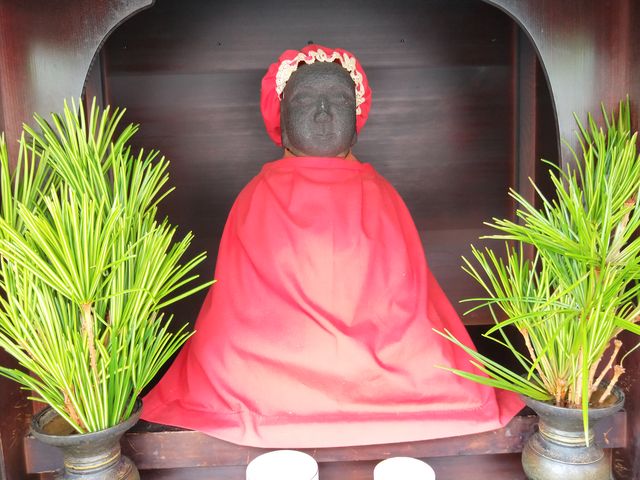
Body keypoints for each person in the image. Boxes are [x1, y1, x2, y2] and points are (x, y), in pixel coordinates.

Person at [141, 45, 523, 447]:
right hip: (273, 361)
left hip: (378, 360)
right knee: (226, 361)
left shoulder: (381, 195)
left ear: (357, 121)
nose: (323, 114)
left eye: (339, 100)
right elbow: (237, 315)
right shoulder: (255, 198)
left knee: (428, 362)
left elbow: (405, 309)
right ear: (281, 119)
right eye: (305, 100)